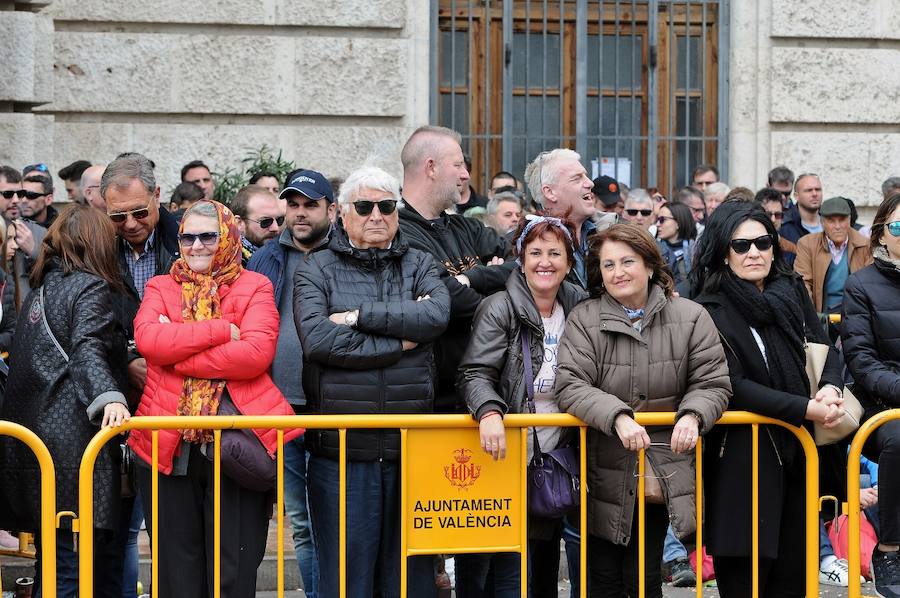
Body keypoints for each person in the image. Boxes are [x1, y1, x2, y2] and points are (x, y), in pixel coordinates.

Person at [128, 199, 300, 597]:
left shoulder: (255, 285)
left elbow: (255, 355)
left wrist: (176, 353)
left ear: (228, 238)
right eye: (187, 236)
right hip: (167, 447)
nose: (197, 245)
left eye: (209, 235)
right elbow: (149, 341)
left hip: (236, 446)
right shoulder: (160, 285)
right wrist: (221, 330)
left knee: (232, 572)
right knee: (176, 574)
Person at [294, 165, 450, 598]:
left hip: (411, 449)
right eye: (364, 206)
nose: (376, 215)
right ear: (343, 214)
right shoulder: (316, 269)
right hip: (342, 455)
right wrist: (401, 344)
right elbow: (321, 341)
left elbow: (435, 316)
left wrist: (358, 318)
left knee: (410, 581)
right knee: (347, 581)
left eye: (386, 205)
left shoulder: (420, 262)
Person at [555, 223, 730, 598]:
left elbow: (712, 382)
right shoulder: (585, 319)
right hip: (600, 467)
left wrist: (692, 414)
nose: (618, 272)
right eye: (608, 264)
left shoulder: (691, 316)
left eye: (627, 261)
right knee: (601, 578)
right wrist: (617, 415)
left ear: (650, 266)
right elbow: (570, 384)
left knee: (643, 576)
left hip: (660, 467)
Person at [691, 201, 845, 597]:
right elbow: (731, 382)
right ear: (723, 251)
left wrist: (830, 387)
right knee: (745, 578)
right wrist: (804, 408)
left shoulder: (791, 290)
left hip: (798, 455)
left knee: (793, 577)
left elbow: (824, 348)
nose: (754, 252)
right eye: (741, 245)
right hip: (743, 461)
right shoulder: (709, 308)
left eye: (762, 242)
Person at [0, 204, 131, 598]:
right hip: (71, 453)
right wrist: (110, 397)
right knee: (72, 572)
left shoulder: (41, 290)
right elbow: (86, 350)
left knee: (52, 566)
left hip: (30, 450)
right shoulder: (90, 287)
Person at [457, 216, 586, 597]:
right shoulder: (499, 307)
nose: (544, 262)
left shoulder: (580, 306)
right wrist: (490, 411)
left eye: (554, 253)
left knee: (544, 559)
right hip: (503, 452)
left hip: (558, 454)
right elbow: (474, 372)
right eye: (535, 253)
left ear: (568, 261)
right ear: (520, 258)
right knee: (500, 567)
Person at [249, 168, 336, 598]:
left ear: (331, 210)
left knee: (337, 517)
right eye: (293, 205)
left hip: (334, 406)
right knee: (300, 521)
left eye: (310, 205)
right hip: (278, 405)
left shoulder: (345, 253)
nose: (299, 214)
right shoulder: (266, 256)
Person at [398, 126, 510, 413]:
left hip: (489, 396)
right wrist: (500, 294)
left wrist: (474, 277)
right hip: (434, 403)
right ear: (431, 167)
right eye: (458, 164)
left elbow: (524, 267)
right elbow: (446, 298)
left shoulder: (468, 227)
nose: (466, 175)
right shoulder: (399, 233)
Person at [842, 191, 900, 598]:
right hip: (882, 404)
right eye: (899, 226)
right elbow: (861, 360)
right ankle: (890, 549)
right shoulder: (861, 285)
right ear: (881, 234)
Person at [525, 149, 598, 289]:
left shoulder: (613, 231)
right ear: (550, 192)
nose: (590, 183)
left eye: (586, 176)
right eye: (577, 178)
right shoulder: (522, 244)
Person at [794, 196, 871, 316]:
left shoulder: (865, 245)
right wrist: (812, 317)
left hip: (856, 314)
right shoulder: (807, 244)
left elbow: (870, 286)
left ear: (850, 220)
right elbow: (803, 283)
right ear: (822, 222)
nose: (837, 226)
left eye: (842, 220)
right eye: (831, 220)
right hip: (820, 314)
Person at [230, 184, 283, 265]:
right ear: (239, 223)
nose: (275, 228)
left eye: (279, 220)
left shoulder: (285, 254)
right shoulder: (227, 262)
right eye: (266, 221)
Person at [655, 202, 697, 296]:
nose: (657, 224)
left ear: (678, 222)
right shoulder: (653, 249)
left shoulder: (696, 249)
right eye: (657, 219)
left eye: (662, 219)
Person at [781, 173, 824, 245]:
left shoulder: (831, 221)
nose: (814, 194)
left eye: (818, 189)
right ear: (796, 196)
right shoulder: (784, 224)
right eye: (809, 190)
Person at [756, 187, 798, 261]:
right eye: (768, 214)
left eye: (778, 215)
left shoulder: (791, 250)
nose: (773, 219)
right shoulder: (745, 245)